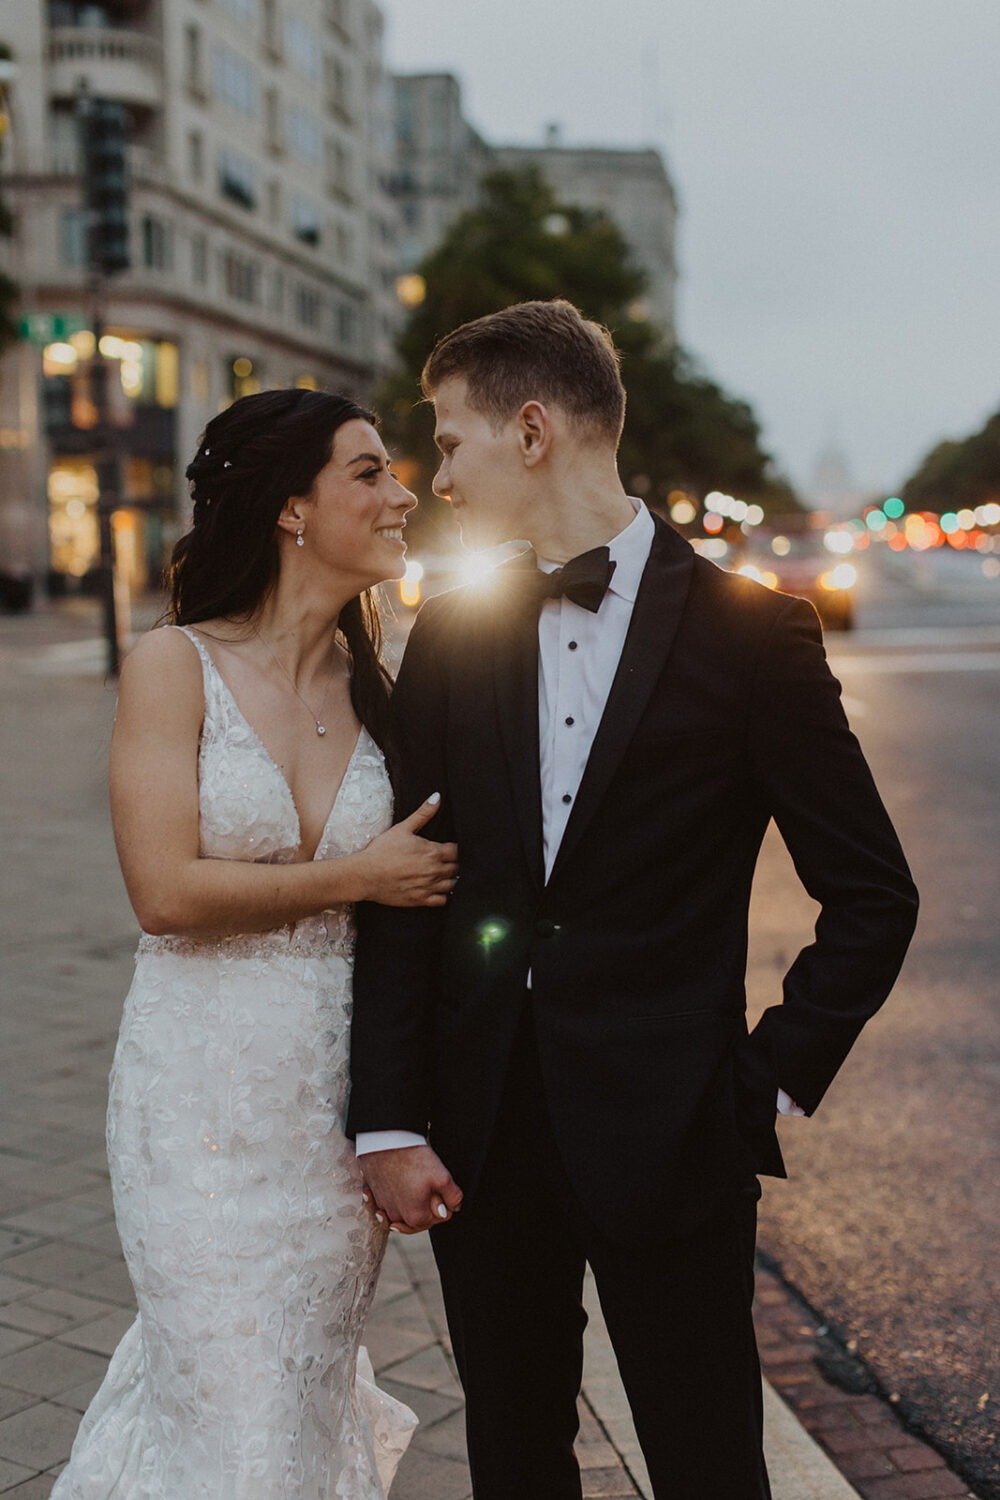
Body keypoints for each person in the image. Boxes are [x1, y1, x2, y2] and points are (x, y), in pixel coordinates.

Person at [347, 301, 919, 1500]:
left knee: (707, 1457)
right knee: (512, 1455)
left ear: (535, 430)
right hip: (482, 1133)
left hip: (676, 1132)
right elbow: (409, 896)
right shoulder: (446, 635)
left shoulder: (753, 637)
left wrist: (759, 1080)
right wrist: (391, 1119)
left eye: (451, 443)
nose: (437, 478)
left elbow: (871, 896)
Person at [52, 389, 459, 1500]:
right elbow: (164, 892)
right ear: (292, 508)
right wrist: (359, 877)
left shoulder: (387, 686)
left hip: (330, 1121)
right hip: (201, 1110)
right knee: (234, 1414)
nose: (402, 491)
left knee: (290, 1402)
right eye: (369, 472)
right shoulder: (172, 664)